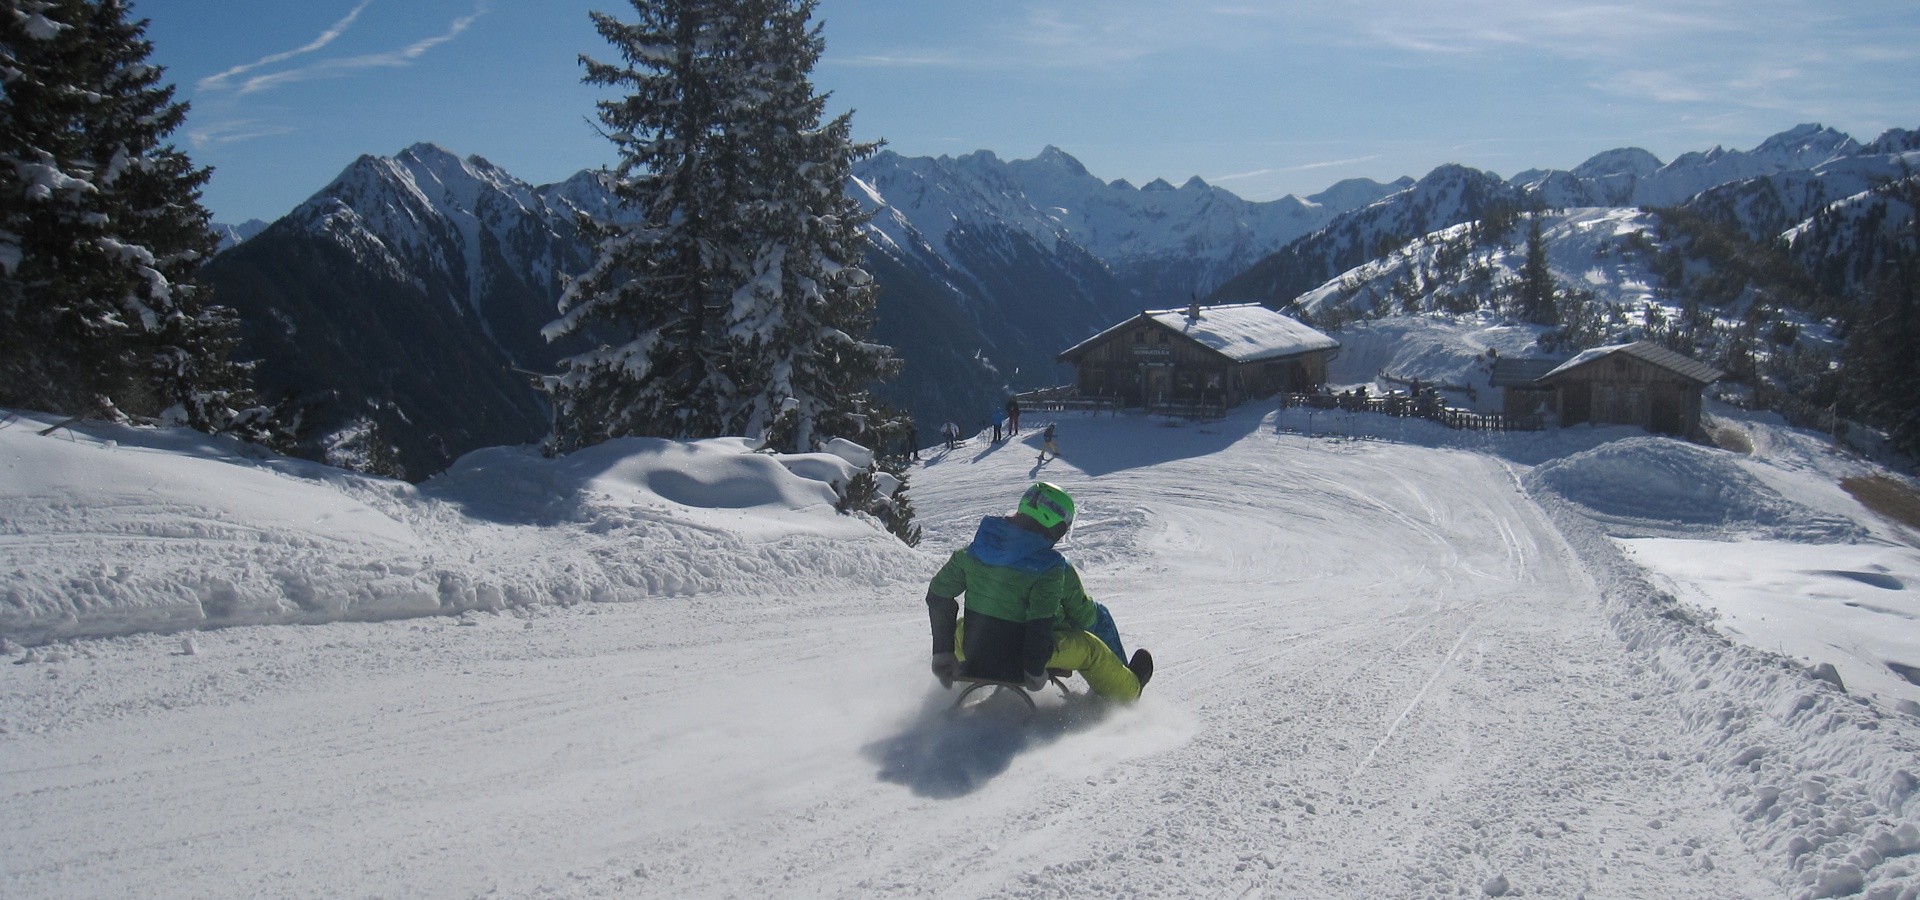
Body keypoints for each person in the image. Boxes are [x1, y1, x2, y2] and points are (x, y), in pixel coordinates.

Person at [924, 482, 1152, 702]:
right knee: (1091, 644)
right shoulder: (1053, 567)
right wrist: (1034, 667)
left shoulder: (970, 554)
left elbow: (938, 594)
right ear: (1057, 527)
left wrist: (943, 652)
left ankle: (963, 680)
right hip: (1023, 658)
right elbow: (1049, 618)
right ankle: (1127, 690)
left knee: (964, 624)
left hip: (976, 649)